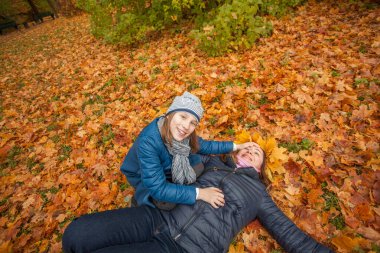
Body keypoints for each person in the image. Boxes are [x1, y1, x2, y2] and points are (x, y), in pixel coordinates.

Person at [63, 144, 333, 253]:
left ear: (260, 167)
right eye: (248, 148)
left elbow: (287, 231)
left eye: (257, 153)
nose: (251, 152)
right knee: (76, 234)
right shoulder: (213, 161)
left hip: (186, 248)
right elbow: (187, 145)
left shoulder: (258, 194)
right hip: (156, 215)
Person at [120, 91, 254, 209]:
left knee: (197, 167)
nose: (186, 126)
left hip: (166, 165)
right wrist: (200, 193)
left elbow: (205, 145)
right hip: (141, 174)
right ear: (169, 115)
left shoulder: (185, 134)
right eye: (183, 116)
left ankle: (175, 182)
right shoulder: (149, 142)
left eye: (192, 123)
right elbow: (158, 188)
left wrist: (236, 146)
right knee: (166, 203)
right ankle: (138, 200)